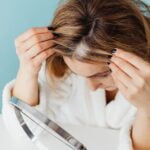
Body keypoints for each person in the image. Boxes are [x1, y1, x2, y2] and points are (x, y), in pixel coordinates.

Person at [2, 0, 150, 149]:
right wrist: (27, 68)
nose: (91, 87)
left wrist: (146, 109)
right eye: (79, 74)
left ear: (137, 51)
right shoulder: (60, 70)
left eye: (103, 74)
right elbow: (22, 134)